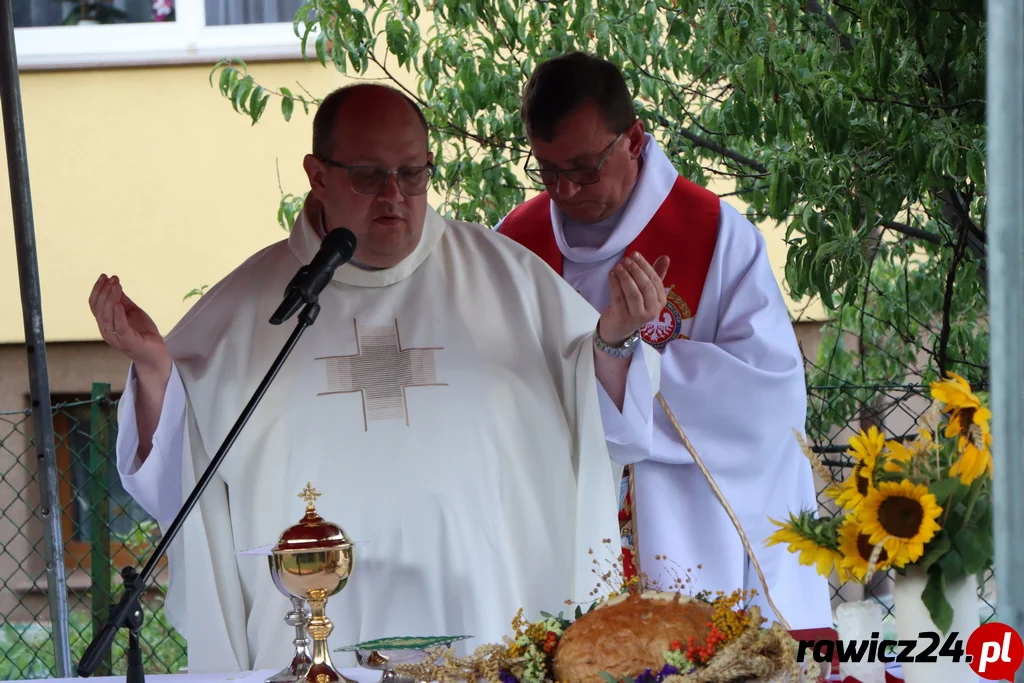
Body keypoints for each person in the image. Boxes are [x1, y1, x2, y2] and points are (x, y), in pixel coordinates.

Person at [89, 84, 668, 673]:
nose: (395, 196)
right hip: (307, 647)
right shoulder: (252, 308)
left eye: (413, 174)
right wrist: (155, 370)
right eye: (369, 176)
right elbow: (179, 478)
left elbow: (606, 432)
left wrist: (614, 342)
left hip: (490, 619)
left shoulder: (511, 280)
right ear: (317, 175)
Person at [495, 52, 833, 631]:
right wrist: (602, 360)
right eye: (547, 171)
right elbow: (499, 385)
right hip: (562, 522)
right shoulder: (515, 244)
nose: (566, 190)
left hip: (692, 527)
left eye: (583, 167)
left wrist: (625, 357)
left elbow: (769, 397)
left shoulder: (716, 235)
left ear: (633, 139)